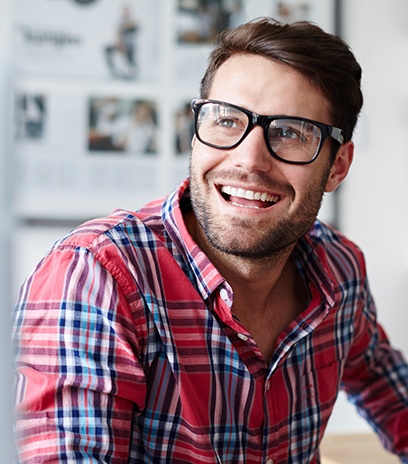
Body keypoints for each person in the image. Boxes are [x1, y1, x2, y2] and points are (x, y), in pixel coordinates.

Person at [12, 18, 408, 463]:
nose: (249, 161)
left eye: (290, 132)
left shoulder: (338, 270)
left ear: (337, 166)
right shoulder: (95, 279)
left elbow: (387, 387)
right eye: (226, 120)